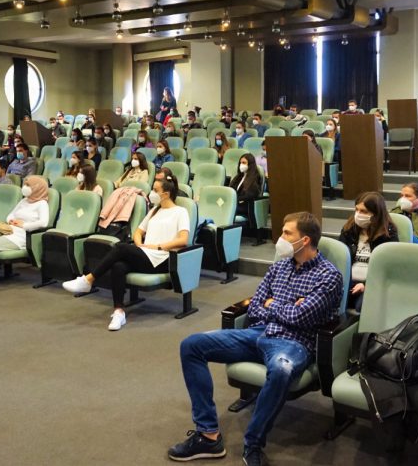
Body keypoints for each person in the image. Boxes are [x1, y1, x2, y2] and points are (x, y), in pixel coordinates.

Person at [167, 212, 342, 464]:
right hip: (258, 332)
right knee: (192, 345)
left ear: (305, 240)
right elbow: (255, 307)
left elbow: (301, 318)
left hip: (294, 343)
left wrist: (273, 304)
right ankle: (208, 436)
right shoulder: (279, 266)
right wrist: (283, 307)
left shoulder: (329, 276)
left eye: (287, 233)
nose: (280, 237)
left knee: (281, 370)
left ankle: (253, 444)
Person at [62, 175, 189, 330]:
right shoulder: (154, 211)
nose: (152, 193)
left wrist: (158, 247)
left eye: (155, 190)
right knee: (118, 266)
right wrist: (140, 245)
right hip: (146, 254)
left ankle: (88, 280)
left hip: (163, 258)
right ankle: (119, 312)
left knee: (121, 247)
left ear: (166, 194)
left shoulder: (180, 212)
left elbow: (183, 240)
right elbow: (138, 232)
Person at [338, 192, 398, 311]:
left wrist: (366, 284)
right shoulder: (349, 229)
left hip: (373, 283)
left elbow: (390, 268)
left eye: (364, 211)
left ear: (376, 214)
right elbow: (341, 258)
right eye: (357, 210)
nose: (358, 214)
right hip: (348, 280)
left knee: (362, 306)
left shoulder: (388, 234)